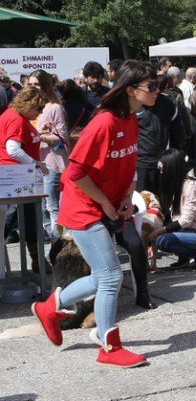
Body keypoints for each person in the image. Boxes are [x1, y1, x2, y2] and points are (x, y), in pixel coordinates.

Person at [31, 60, 157, 368]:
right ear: (131, 89)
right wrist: (105, 203)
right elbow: (75, 173)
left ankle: (49, 308)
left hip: (105, 206)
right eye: (152, 86)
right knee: (111, 276)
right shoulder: (104, 123)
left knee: (103, 277)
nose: (157, 91)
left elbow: (128, 163)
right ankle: (108, 345)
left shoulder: (130, 119)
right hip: (84, 208)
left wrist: (126, 197)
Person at [0, 86, 50, 279]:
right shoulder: (16, 119)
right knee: (28, 219)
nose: (40, 112)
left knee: (24, 219)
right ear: (28, 104)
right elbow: (13, 149)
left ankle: (38, 261)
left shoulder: (15, 116)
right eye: (39, 108)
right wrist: (35, 163)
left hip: (17, 179)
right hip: (17, 179)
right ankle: (38, 262)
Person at [149, 148, 196, 271]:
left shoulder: (192, 186)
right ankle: (184, 257)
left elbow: (185, 221)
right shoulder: (176, 184)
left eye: (163, 170)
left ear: (172, 169)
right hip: (188, 230)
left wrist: (159, 231)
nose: (161, 173)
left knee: (162, 240)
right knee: (163, 235)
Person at [30, 70, 70, 242]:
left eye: (37, 84)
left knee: (53, 208)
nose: (33, 88)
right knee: (43, 209)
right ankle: (56, 244)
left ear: (45, 85)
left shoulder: (54, 108)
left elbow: (62, 137)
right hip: (35, 163)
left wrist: (39, 136)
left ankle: (58, 246)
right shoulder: (30, 108)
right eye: (30, 84)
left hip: (51, 163)